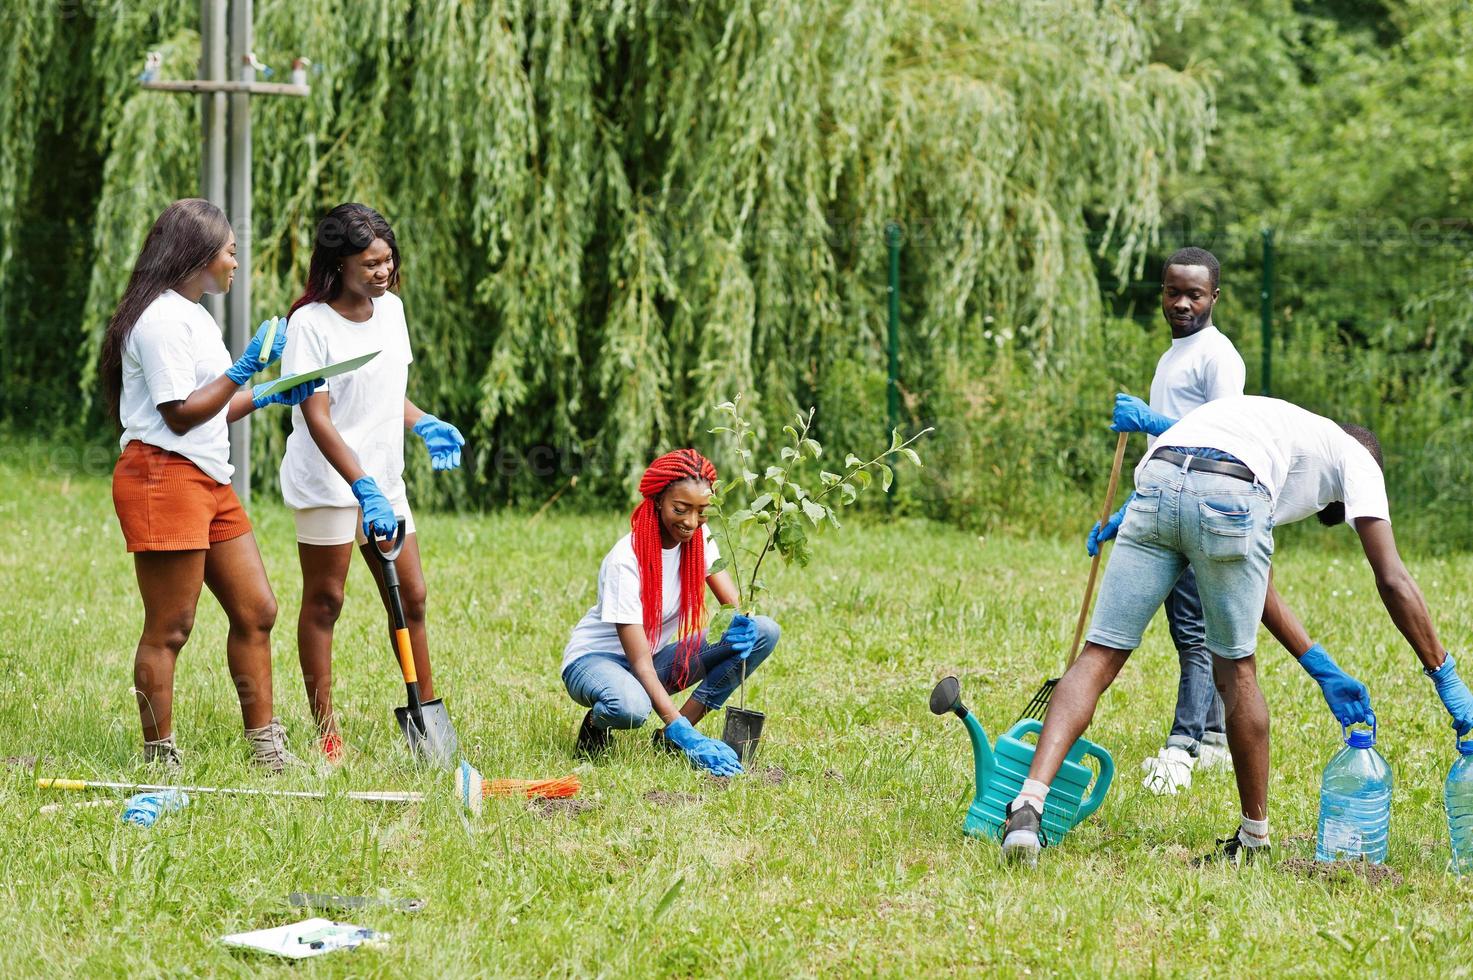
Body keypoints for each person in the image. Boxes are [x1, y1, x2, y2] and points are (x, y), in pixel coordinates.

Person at [1001, 394, 1473, 867]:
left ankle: (1028, 806)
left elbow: (1257, 587)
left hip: (1159, 475)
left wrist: (1320, 667)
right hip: (1228, 488)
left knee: (1098, 656)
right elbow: (1392, 578)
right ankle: (1254, 838)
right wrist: (1446, 679)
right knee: (1236, 673)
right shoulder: (1358, 457)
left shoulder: (1281, 432)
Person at [99, 198, 321, 772]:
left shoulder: (195, 314)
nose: (235, 265)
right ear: (198, 256)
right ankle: (159, 755)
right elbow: (177, 413)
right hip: (163, 476)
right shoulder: (161, 320)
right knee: (171, 627)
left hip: (207, 477)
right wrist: (242, 370)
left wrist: (268, 392)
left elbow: (212, 406)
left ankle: (266, 747)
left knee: (257, 610)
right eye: (229, 253)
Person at [278, 203, 466, 762]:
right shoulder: (309, 325)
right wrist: (362, 486)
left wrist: (424, 421)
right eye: (370, 263)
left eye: (388, 260)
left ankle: (425, 716)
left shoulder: (393, 311)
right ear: (338, 265)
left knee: (411, 596)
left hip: (385, 479)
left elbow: (390, 395)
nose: (383, 272)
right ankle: (327, 733)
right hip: (331, 482)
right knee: (326, 601)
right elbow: (319, 416)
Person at [1088, 246, 1244, 794]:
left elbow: (1224, 436)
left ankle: (1182, 748)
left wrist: (1152, 419)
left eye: (1194, 294)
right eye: (1173, 292)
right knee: (1201, 632)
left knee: (1195, 635)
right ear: (1162, 293)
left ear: (1214, 297)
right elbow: (1163, 449)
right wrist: (1130, 511)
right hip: (1166, 500)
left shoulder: (1217, 355)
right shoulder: (1172, 354)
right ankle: (1218, 739)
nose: (1182, 303)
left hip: (1200, 506)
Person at [560, 449, 781, 776]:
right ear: (660, 500)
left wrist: (742, 622)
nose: (691, 522)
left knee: (763, 630)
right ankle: (598, 722)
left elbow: (732, 606)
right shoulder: (626, 560)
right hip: (595, 662)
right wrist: (685, 730)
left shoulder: (699, 539)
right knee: (630, 708)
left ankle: (670, 739)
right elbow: (639, 663)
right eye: (681, 509)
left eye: (702, 512)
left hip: (653, 656)